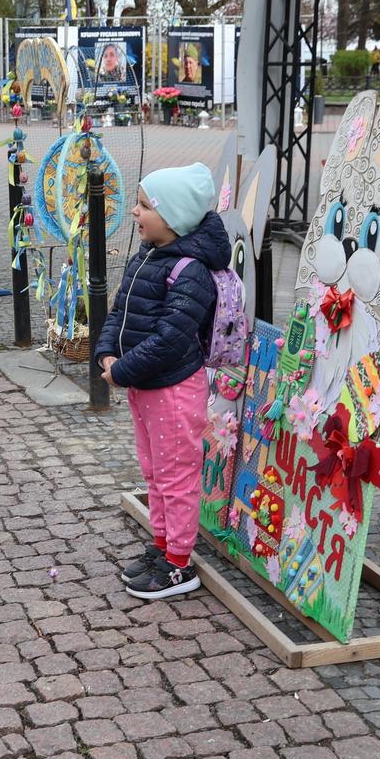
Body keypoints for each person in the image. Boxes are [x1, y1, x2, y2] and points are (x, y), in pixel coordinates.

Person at [93, 162, 229, 600]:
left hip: (171, 388)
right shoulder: (146, 256)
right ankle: (161, 546)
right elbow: (119, 311)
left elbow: (171, 339)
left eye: (144, 206)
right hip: (144, 385)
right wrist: (107, 352)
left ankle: (179, 565)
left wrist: (123, 370)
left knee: (176, 477)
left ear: (171, 217)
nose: (135, 212)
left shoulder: (190, 271)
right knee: (154, 473)